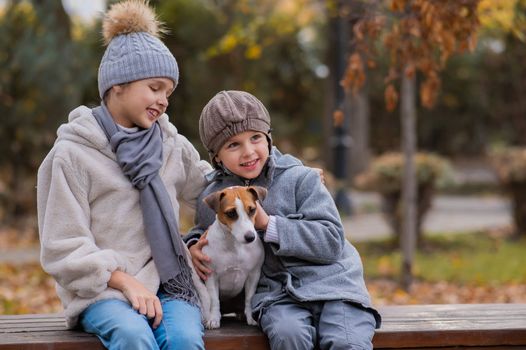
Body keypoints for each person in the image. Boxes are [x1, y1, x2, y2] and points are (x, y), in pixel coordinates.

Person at [37, 1, 212, 349]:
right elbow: (62, 246)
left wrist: (195, 242)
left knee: (185, 339)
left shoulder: (169, 144)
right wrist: (125, 282)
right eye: (155, 87)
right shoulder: (72, 154)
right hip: (103, 289)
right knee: (133, 336)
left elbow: (212, 189)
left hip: (170, 281)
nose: (163, 100)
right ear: (118, 84)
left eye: (168, 92)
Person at [185, 90, 381, 350]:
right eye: (233, 144)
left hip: (335, 287)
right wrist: (193, 244)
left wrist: (269, 225)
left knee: (345, 342)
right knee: (289, 336)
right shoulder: (215, 196)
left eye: (255, 138)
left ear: (268, 138)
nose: (248, 151)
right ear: (216, 155)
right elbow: (204, 230)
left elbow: (332, 240)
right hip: (277, 296)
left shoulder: (300, 178)